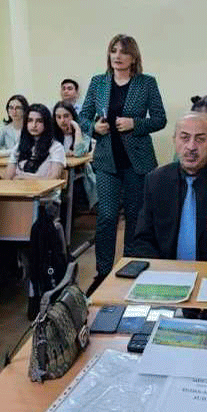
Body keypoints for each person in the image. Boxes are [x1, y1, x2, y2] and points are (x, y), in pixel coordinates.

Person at [78, 34, 167, 281]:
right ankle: (103, 273)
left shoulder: (146, 83)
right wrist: (94, 127)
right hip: (107, 161)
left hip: (137, 163)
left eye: (124, 52)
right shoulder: (98, 83)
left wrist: (134, 123)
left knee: (134, 217)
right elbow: (83, 116)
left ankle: (130, 268)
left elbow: (160, 119)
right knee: (106, 216)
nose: (118, 56)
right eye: (114, 51)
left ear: (133, 57)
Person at [132, 113, 207, 262]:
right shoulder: (156, 181)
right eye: (184, 138)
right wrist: (161, 272)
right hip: (167, 274)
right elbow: (143, 240)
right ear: (174, 141)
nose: (191, 147)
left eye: (200, 139)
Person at [2, 104, 66, 183]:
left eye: (39, 121)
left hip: (45, 194)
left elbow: (53, 179)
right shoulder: (19, 146)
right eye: (30, 120)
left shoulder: (56, 147)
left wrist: (24, 178)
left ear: (46, 124)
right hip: (19, 192)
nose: (34, 125)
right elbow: (8, 177)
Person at [54, 101, 97, 208]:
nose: (62, 121)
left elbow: (78, 153)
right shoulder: (53, 134)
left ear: (73, 116)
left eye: (66, 116)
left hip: (79, 175)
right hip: (56, 173)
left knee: (71, 191)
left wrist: (77, 128)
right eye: (58, 117)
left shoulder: (82, 133)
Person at [0, 94, 29, 159]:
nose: (14, 111)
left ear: (24, 110)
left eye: (18, 108)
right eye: (11, 108)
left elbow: (20, 150)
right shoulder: (5, 127)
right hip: (6, 162)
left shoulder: (30, 127)